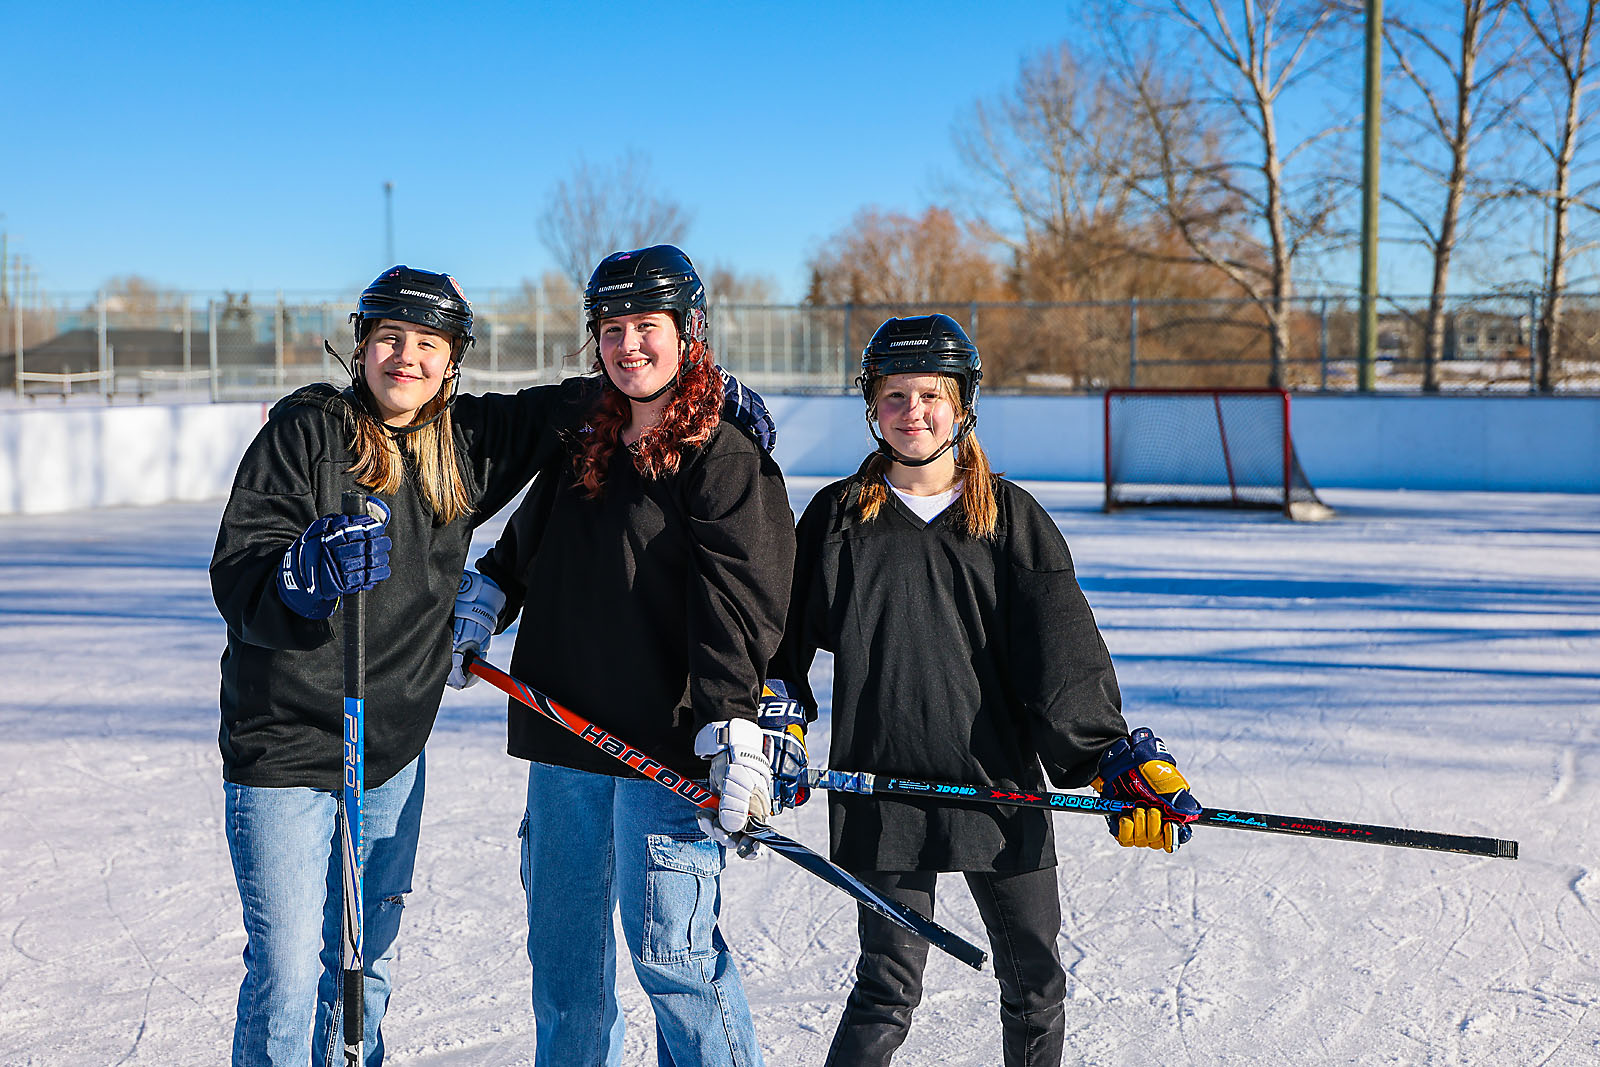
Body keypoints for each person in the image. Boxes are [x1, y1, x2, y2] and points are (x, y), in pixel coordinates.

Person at [210, 262, 777, 1066]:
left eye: (427, 344)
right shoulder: (311, 433)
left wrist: (706, 390)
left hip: (425, 750)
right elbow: (241, 571)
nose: (406, 358)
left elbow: (734, 590)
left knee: (373, 964)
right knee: (299, 970)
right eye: (390, 338)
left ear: (453, 359)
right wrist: (305, 577)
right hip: (304, 743)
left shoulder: (475, 440)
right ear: (361, 346)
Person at [767, 314, 1202, 1067]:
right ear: (871, 405)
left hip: (1000, 790)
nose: (912, 412)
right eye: (895, 395)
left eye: (930, 395)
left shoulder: (1012, 518)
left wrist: (1111, 758)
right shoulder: (837, 517)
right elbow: (781, 643)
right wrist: (775, 722)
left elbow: (1062, 659)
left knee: (1035, 983)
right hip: (882, 790)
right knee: (886, 987)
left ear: (963, 404)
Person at [449, 245, 795, 1067]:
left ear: (688, 329)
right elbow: (529, 544)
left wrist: (734, 728)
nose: (628, 344)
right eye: (612, 328)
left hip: (662, 750)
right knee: (565, 967)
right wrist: (485, 600)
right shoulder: (586, 440)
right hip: (563, 737)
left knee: (676, 963)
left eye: (647, 326)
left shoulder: (723, 454)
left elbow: (740, 605)